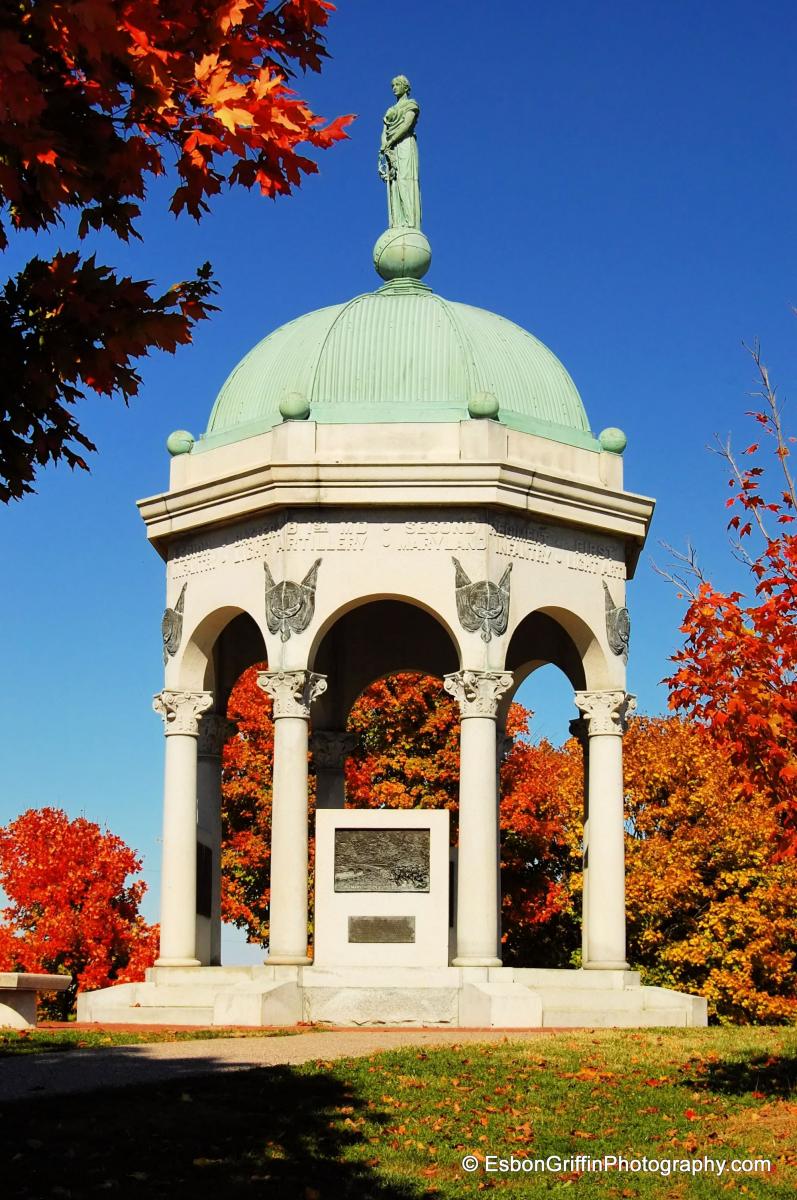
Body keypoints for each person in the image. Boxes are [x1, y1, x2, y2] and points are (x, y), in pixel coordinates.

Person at [378, 75, 421, 229]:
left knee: (405, 179)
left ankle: (410, 221)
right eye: (393, 86)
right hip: (391, 149)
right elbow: (384, 130)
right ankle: (398, 221)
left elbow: (407, 125)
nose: (394, 88)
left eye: (397, 85)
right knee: (394, 183)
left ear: (405, 87)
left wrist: (390, 141)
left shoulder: (411, 104)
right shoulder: (390, 110)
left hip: (405, 144)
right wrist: (385, 145)